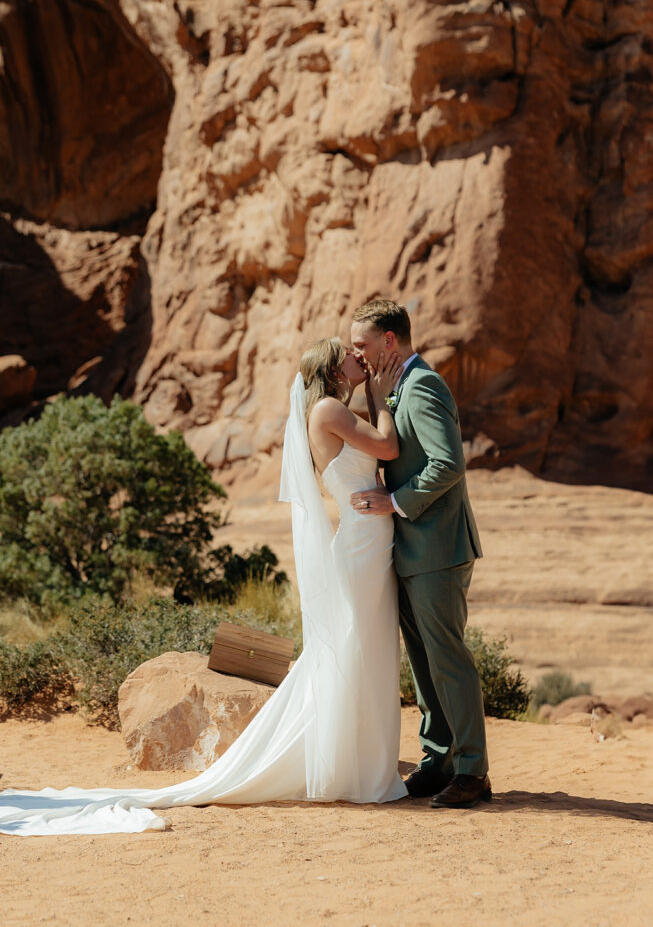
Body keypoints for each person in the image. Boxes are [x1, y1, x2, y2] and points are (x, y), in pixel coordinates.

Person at [0, 337, 407, 836]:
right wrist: (386, 394)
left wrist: (372, 395)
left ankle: (359, 763)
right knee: (354, 649)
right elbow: (387, 447)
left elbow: (373, 447)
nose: (358, 356)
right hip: (361, 549)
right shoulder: (326, 409)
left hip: (369, 544)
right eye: (349, 352)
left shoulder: (336, 408)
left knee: (363, 649)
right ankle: (353, 769)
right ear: (331, 368)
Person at [349, 299, 491, 809]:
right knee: (424, 662)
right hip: (411, 548)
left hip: (438, 547)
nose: (356, 353)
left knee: (448, 659)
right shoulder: (394, 387)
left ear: (390, 340)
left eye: (362, 345)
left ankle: (473, 772)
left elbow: (449, 463)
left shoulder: (424, 384)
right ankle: (438, 762)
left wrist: (394, 501)